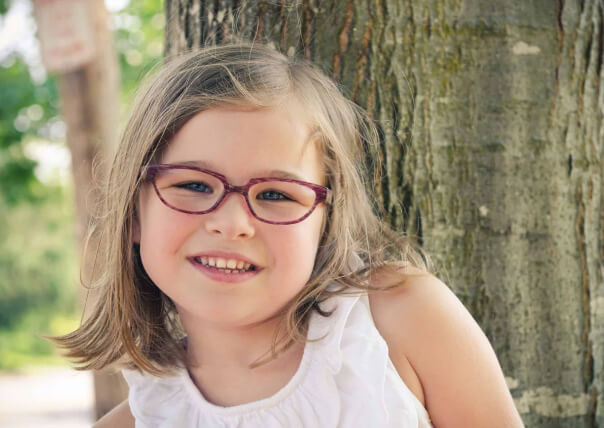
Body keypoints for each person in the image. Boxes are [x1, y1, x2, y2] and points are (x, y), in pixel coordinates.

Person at [54, 43, 524, 427]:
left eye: (277, 194)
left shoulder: (396, 322)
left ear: (326, 221)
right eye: (193, 185)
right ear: (135, 212)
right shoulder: (147, 418)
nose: (233, 222)